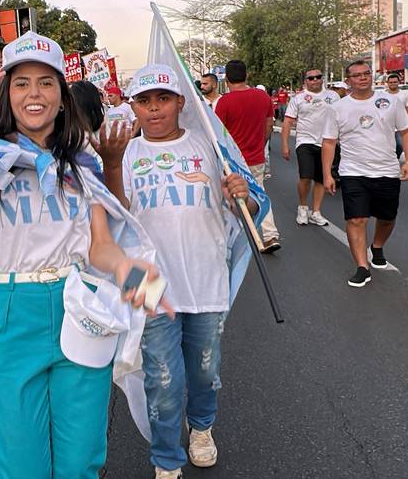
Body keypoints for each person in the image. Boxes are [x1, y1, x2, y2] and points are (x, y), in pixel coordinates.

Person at [0, 32, 169, 479]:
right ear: (6, 94)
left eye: (46, 83)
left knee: (81, 463)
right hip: (11, 315)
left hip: (80, 310)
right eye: (21, 83)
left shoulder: (81, 167)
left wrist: (142, 282)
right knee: (21, 467)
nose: (33, 93)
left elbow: (102, 247)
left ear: (61, 97)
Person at [95, 64, 260, 479]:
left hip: (206, 277)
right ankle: (167, 458)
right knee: (163, 378)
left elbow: (250, 205)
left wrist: (242, 196)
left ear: (180, 102)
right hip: (149, 283)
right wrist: (112, 166)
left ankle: (201, 428)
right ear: (132, 107)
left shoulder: (209, 145)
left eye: (163, 99)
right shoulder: (127, 153)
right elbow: (116, 217)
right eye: (144, 101)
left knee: (205, 370)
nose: (154, 110)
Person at [321, 60, 408, 288]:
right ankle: (362, 267)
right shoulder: (338, 108)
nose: (363, 78)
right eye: (357, 75)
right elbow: (328, 142)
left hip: (386, 170)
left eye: (366, 73)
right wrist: (327, 174)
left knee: (387, 218)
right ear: (348, 81)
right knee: (356, 219)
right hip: (353, 171)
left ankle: (377, 246)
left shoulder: (391, 102)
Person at [215, 60, 281, 253]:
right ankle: (270, 236)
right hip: (257, 156)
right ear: (247, 75)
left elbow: (219, 133)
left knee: (232, 198)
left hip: (233, 162)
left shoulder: (224, 102)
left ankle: (237, 241)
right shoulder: (262, 97)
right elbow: (269, 125)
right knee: (259, 193)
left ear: (226, 78)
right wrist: (261, 144)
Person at [281, 68, 341, 226]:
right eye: (311, 78)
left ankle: (315, 211)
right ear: (305, 81)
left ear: (322, 79)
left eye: (318, 77)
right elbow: (287, 122)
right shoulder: (298, 99)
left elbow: (342, 117)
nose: (314, 80)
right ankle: (303, 207)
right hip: (305, 141)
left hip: (327, 143)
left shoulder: (333, 96)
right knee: (305, 176)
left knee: (321, 179)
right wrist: (285, 144)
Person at [382, 73, 408, 160]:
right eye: (391, 82)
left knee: (399, 145)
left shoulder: (404, 94)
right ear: (387, 83)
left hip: (400, 126)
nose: (393, 84)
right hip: (386, 126)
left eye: (395, 82)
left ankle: (394, 159)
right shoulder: (382, 95)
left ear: (398, 82)